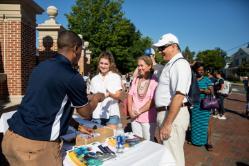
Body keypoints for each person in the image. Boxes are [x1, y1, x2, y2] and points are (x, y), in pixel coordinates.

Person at [2, 30, 105, 166]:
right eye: (80, 50)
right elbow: (86, 113)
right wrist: (97, 98)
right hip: (36, 148)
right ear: (76, 48)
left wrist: (76, 125)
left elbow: (51, 104)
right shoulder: (72, 76)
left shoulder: (41, 67)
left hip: (11, 138)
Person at [153, 33, 191, 166]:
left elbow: (179, 95)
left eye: (163, 48)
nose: (160, 51)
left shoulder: (179, 64)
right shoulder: (172, 64)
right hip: (169, 114)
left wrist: (168, 123)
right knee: (169, 156)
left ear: (174, 46)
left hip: (172, 115)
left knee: (173, 158)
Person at [90, 51, 123, 130]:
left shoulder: (115, 77)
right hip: (97, 114)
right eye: (101, 63)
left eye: (106, 64)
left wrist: (108, 94)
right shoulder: (94, 79)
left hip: (112, 114)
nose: (103, 66)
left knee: (111, 139)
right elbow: (92, 97)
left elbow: (118, 96)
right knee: (98, 139)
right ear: (98, 64)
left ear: (110, 65)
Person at [127, 56, 158, 141]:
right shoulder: (136, 79)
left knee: (148, 143)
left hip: (148, 118)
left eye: (142, 65)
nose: (139, 68)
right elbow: (130, 95)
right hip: (134, 117)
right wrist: (130, 111)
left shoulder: (154, 80)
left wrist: (138, 111)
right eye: (138, 66)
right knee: (137, 142)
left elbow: (153, 101)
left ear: (149, 66)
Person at [191, 62, 213, 151]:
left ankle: (209, 142)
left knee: (206, 123)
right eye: (199, 70)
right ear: (195, 70)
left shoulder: (207, 80)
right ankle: (195, 140)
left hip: (205, 105)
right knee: (195, 123)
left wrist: (201, 90)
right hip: (195, 106)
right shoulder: (193, 79)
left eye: (202, 70)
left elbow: (211, 91)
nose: (201, 71)